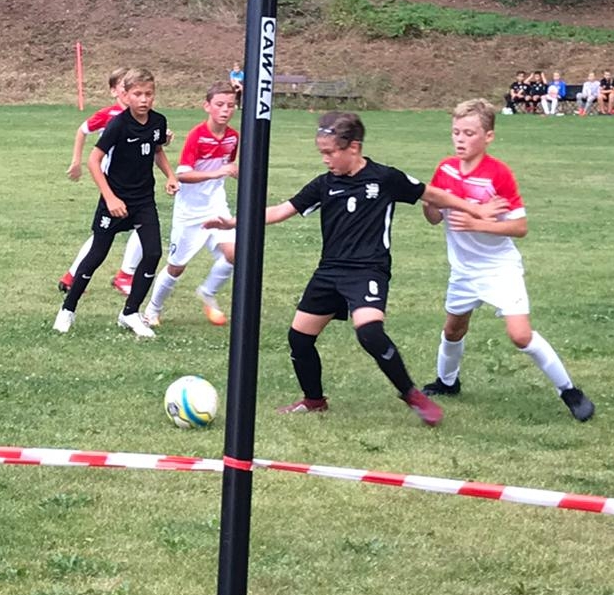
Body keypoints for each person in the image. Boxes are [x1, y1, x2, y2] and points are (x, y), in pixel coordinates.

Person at [205, 111, 505, 423]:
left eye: (330, 152)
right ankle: (314, 400)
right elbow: (282, 210)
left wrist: (477, 210)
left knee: (370, 332)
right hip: (329, 271)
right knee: (299, 338)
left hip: (367, 270)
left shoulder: (385, 178)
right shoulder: (324, 184)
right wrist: (235, 222)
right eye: (322, 153)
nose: (325, 159)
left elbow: (433, 194)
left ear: (354, 147)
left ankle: (411, 394)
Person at [418, 99, 595, 420]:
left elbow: (520, 227)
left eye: (469, 133)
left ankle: (569, 391)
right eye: (456, 132)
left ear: (488, 137)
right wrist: (430, 203)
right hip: (463, 270)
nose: (460, 139)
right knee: (454, 329)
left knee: (520, 335)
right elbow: (433, 217)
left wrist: (477, 224)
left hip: (499, 269)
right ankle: (447, 382)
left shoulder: (497, 174)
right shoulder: (445, 169)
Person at [53, 67, 177, 337]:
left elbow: (156, 150)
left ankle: (130, 313)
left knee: (153, 253)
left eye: (149, 94)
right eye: (138, 94)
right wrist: (110, 198)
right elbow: (94, 160)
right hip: (115, 199)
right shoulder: (118, 124)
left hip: (144, 200)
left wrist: (170, 175)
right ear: (126, 95)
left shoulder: (158, 121)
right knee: (96, 255)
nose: (144, 99)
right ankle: (67, 309)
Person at [142, 83, 239, 328]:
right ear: (207, 106)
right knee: (176, 267)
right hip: (190, 210)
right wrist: (218, 172)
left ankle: (207, 292)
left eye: (230, 105)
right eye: (219, 105)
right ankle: (152, 310)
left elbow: (229, 167)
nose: (225, 110)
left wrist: (236, 172)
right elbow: (183, 175)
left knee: (235, 253)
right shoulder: (198, 135)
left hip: (216, 204)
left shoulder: (233, 137)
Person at [60, 68, 146, 294]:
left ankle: (77, 276)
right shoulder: (109, 115)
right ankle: (120, 276)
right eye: (123, 85)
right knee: (106, 234)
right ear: (114, 91)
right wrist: (76, 161)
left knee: (141, 228)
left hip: (136, 184)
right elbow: (82, 130)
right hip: (114, 185)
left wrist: (164, 139)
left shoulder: (143, 115)